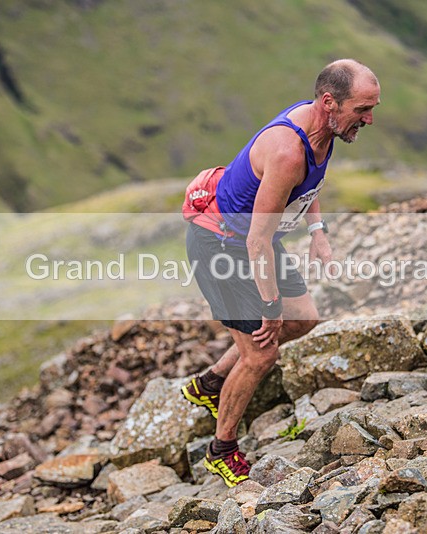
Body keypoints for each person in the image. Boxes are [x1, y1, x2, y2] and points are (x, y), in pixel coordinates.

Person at [181, 59, 381, 487]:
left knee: (304, 319)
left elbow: (308, 185)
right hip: (221, 244)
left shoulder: (322, 128)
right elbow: (255, 242)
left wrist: (317, 232)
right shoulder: (288, 150)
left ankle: (211, 383)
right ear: (329, 102)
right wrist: (269, 307)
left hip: (257, 239)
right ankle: (222, 449)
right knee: (262, 352)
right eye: (363, 109)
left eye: (372, 108)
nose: (369, 119)